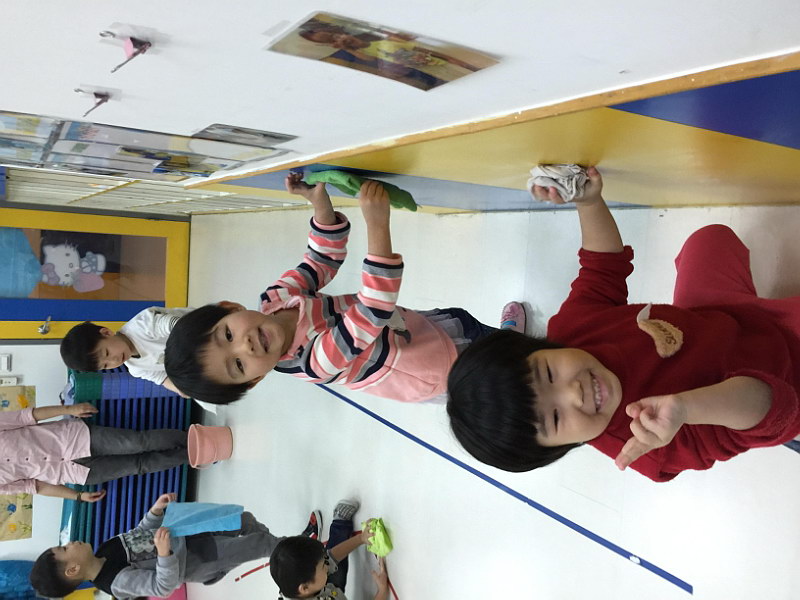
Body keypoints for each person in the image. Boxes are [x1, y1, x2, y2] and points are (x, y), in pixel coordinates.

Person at [447, 167, 800, 482]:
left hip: (726, 319)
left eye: (549, 373)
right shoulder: (650, 444)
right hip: (786, 375)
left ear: (540, 346)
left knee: (708, 239)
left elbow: (602, 267)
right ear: (560, 448)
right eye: (555, 418)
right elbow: (776, 406)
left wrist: (588, 202)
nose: (574, 393)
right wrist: (688, 408)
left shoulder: (572, 329)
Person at [165, 175, 503, 406]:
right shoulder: (313, 361)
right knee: (504, 372)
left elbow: (320, 260)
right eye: (238, 365)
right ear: (254, 381)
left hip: (413, 329)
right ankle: (516, 346)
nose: (246, 346)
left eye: (227, 335)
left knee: (469, 325)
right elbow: (372, 310)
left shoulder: (275, 299)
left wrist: (320, 206)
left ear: (229, 307)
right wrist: (377, 224)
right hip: (433, 367)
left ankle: (510, 338)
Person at [29, 493, 297, 599]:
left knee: (242, 520)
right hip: (202, 560)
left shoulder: (105, 549)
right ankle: (296, 551)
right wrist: (164, 554)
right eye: (65, 549)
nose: (70, 543)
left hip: (191, 534)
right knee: (258, 544)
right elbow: (162, 587)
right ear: (72, 570)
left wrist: (155, 512)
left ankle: (287, 550)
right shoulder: (116, 582)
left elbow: (139, 534)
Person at [0, 403, 190, 501]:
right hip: (77, 473)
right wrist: (77, 496)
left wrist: (69, 409)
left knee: (139, 442)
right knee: (140, 465)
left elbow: (28, 416)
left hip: (75, 438)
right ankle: (191, 456)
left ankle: (192, 440)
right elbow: (36, 487)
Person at [270, 498, 388, 600]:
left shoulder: (305, 583)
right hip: (328, 593)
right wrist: (382, 591)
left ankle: (340, 523)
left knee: (333, 569)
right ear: (305, 588)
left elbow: (332, 556)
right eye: (323, 566)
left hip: (325, 590)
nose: (327, 565)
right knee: (336, 576)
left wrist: (361, 538)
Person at [60, 307, 191, 397]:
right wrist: (179, 388)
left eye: (107, 353)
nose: (114, 361)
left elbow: (173, 324)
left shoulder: (141, 327)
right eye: (105, 365)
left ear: (107, 333)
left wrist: (193, 338)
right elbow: (161, 378)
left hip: (198, 328)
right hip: (194, 358)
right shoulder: (136, 369)